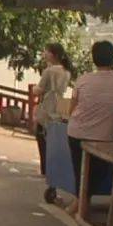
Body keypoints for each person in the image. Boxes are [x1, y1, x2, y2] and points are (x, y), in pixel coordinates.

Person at [65, 41, 113, 215]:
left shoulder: (83, 79)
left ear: (94, 60)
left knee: (81, 171)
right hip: (103, 136)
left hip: (76, 132)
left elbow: (71, 109)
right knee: (100, 172)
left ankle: (79, 206)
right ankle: (81, 207)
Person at [30, 43, 74, 175]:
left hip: (47, 105)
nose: (44, 54)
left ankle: (45, 169)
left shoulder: (49, 71)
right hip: (58, 105)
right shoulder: (66, 71)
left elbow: (39, 90)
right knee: (54, 139)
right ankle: (53, 168)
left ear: (53, 54)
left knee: (41, 137)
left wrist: (34, 89)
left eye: (47, 52)